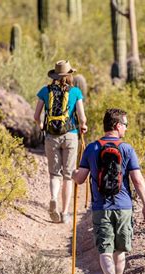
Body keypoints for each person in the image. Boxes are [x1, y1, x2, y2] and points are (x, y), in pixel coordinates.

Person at [72, 108, 145, 274]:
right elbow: (138, 180)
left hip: (101, 209)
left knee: (105, 251)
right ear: (117, 126)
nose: (126, 128)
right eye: (125, 125)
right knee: (120, 251)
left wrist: (74, 173)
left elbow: (80, 179)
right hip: (124, 208)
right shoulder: (126, 149)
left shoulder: (92, 148)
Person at [34, 60, 88, 224]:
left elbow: (36, 116)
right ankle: (65, 213)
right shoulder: (76, 92)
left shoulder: (45, 91)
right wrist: (83, 126)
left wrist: (42, 125)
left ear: (55, 75)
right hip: (70, 135)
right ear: (69, 75)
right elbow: (82, 117)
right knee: (68, 175)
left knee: (54, 174)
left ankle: (53, 198)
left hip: (51, 136)